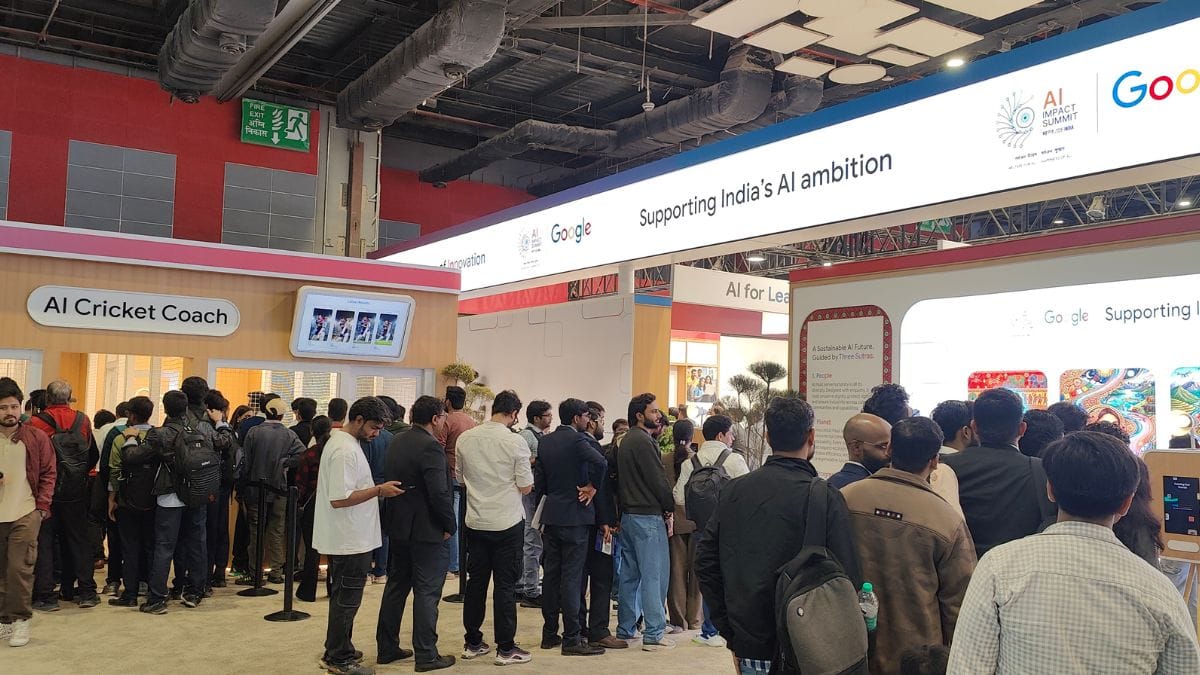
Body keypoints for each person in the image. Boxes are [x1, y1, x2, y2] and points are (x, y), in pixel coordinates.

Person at [948, 432, 1200, 673]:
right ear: (1126, 504)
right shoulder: (1159, 590)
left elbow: (967, 667)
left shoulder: (999, 566)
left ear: (1051, 490)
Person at [697, 396, 862, 675]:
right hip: (812, 645)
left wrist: (731, 632)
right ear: (811, 436)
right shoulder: (825, 497)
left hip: (751, 641)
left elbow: (705, 563)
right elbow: (848, 579)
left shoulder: (734, 491)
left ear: (767, 435)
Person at [841, 417, 976, 674]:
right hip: (917, 657)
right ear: (935, 460)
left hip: (852, 645)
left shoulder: (846, 497)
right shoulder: (946, 519)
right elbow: (958, 604)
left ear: (890, 450)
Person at [314, 397, 405, 675]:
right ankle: (339, 658)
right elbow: (340, 499)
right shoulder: (344, 450)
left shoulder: (346, 444)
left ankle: (339, 647)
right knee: (347, 600)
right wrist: (379, 490)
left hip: (352, 535)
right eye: (374, 428)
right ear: (358, 420)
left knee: (345, 597)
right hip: (349, 538)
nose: (376, 434)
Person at [376, 396, 456, 672]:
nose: (445, 421)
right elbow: (439, 492)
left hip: (398, 526)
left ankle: (387, 647)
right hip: (427, 530)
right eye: (444, 417)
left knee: (396, 586)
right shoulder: (431, 448)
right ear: (435, 418)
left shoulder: (397, 440)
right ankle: (426, 654)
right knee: (427, 592)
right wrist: (450, 525)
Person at [456, 390, 535, 665]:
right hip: (507, 523)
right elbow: (526, 486)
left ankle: (473, 642)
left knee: (476, 584)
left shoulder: (465, 438)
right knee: (505, 586)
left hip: (475, 522)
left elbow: (460, 478)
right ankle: (506, 648)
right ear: (514, 414)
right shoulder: (515, 442)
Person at [942, 388, 1056, 558]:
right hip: (1019, 569)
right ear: (1022, 429)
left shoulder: (946, 467)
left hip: (960, 572)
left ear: (974, 427)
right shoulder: (1041, 470)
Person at [536, 398, 607, 656]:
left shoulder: (545, 441)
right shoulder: (579, 440)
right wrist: (593, 488)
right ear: (577, 418)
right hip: (576, 516)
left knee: (552, 576)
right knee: (572, 578)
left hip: (552, 515)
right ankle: (572, 638)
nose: (589, 421)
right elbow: (601, 463)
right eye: (587, 417)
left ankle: (549, 634)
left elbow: (540, 482)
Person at [672, 414, 748, 648]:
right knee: (731, 579)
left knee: (708, 579)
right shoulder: (734, 460)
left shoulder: (690, 463)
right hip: (731, 530)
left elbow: (678, 496)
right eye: (731, 433)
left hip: (702, 529)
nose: (733, 437)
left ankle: (709, 630)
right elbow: (748, 492)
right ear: (721, 435)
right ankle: (729, 628)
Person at [140, 390, 214, 614]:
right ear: (186, 408)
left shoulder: (159, 434)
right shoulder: (200, 429)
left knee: (164, 546)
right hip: (197, 492)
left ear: (164, 408)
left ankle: (157, 598)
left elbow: (135, 456)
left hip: (170, 495)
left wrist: (131, 439)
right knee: (196, 542)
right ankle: (195, 591)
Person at [30, 379, 100, 610]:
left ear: (47, 399)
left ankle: (45, 596)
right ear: (69, 398)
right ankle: (86, 592)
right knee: (78, 540)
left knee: (46, 543)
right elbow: (92, 454)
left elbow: (32, 459)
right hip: (76, 491)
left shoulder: (36, 422)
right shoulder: (83, 419)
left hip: (45, 492)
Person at [615, 393, 677, 651]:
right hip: (648, 517)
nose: (658, 415)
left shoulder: (625, 440)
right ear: (639, 415)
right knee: (655, 576)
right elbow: (657, 480)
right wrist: (669, 508)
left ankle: (626, 629)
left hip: (628, 516)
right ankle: (653, 632)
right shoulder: (643, 441)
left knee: (629, 576)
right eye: (653, 411)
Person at [0, 377, 55, 647]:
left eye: (13, 406)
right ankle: (4, 621)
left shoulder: (35, 437)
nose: (9, 412)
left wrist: (41, 508)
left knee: (18, 569)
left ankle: (21, 620)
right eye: (2, 407)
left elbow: (48, 473)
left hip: (25, 512)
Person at [576, 401, 624, 650]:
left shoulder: (570, 445)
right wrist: (607, 521)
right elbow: (602, 489)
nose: (604, 427)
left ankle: (580, 630)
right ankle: (599, 630)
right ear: (592, 421)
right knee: (602, 578)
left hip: (577, 523)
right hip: (598, 524)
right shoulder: (593, 449)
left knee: (578, 579)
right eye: (603, 421)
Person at [242, 397, 305, 584]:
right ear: (281, 413)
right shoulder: (288, 435)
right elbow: (302, 454)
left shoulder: (254, 432)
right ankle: (276, 572)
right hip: (280, 488)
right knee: (277, 530)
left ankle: (256, 573)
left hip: (255, 489)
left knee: (256, 531)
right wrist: (285, 463)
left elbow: (245, 461)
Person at [106, 395, 156, 608]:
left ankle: (130, 593)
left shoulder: (120, 438)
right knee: (151, 545)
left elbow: (114, 471)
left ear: (131, 415)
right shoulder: (158, 436)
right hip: (154, 500)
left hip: (127, 500)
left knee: (130, 546)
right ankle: (149, 586)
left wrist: (111, 499)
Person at [435, 386, 476, 578]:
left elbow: (439, 448)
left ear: (448, 402)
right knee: (465, 521)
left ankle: (453, 564)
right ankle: (463, 562)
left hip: (450, 476)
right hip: (469, 478)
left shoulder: (446, 421)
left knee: (452, 521)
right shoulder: (472, 422)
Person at [665, 418, 700, 633]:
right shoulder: (698, 461)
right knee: (697, 576)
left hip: (672, 524)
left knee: (676, 574)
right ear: (692, 437)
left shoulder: (663, 459)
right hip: (696, 523)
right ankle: (695, 620)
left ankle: (678, 621)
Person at [516, 399, 552, 607]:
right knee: (531, 540)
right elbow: (522, 461)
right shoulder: (526, 436)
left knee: (534, 539)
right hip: (529, 493)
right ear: (536, 418)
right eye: (547, 415)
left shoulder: (541, 435)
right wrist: (538, 459)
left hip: (538, 493)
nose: (550, 418)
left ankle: (527, 583)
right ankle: (530, 589)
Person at [296, 416, 333, 603]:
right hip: (333, 504)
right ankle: (334, 588)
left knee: (312, 549)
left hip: (312, 505)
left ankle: (308, 591)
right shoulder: (334, 452)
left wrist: (299, 503)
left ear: (312, 431)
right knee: (334, 549)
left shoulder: (309, 454)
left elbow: (301, 484)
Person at [95, 400, 129, 597]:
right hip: (142, 497)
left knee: (114, 537)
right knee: (139, 539)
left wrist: (110, 495)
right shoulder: (150, 433)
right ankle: (139, 582)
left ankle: (114, 581)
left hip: (114, 491)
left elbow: (108, 467)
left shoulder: (112, 432)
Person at [828, 413, 892, 489]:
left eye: (891, 446)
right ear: (856, 447)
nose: (890, 453)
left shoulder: (830, 484)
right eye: (883, 446)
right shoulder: (869, 489)